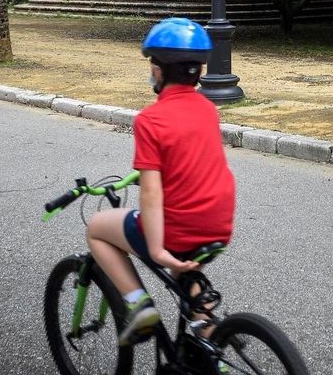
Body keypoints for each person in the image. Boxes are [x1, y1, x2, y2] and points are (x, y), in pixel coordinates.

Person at [85, 18, 237, 346]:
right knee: (185, 272)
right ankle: (210, 342)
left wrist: (156, 249)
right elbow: (192, 165)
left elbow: (152, 193)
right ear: (198, 70)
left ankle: (139, 304)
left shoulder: (150, 120)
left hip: (178, 232)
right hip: (218, 226)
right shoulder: (208, 109)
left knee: (97, 227)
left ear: (157, 70)